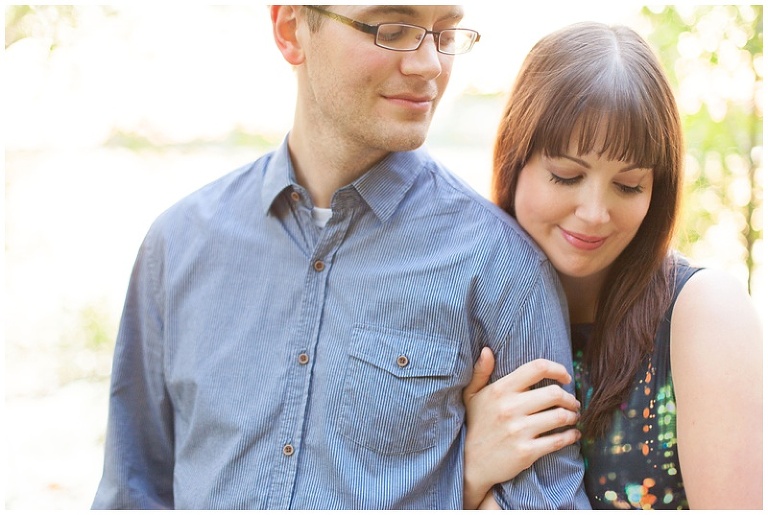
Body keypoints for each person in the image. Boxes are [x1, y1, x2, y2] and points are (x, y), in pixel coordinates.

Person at [91, 6, 590, 509]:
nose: (430, 65)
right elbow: (131, 493)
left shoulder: (504, 268)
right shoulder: (178, 244)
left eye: (443, 33)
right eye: (392, 29)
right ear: (291, 31)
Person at [461, 21, 763, 510]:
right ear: (514, 160)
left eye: (628, 185)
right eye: (566, 175)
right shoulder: (464, 309)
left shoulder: (703, 315)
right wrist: (471, 472)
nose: (595, 213)